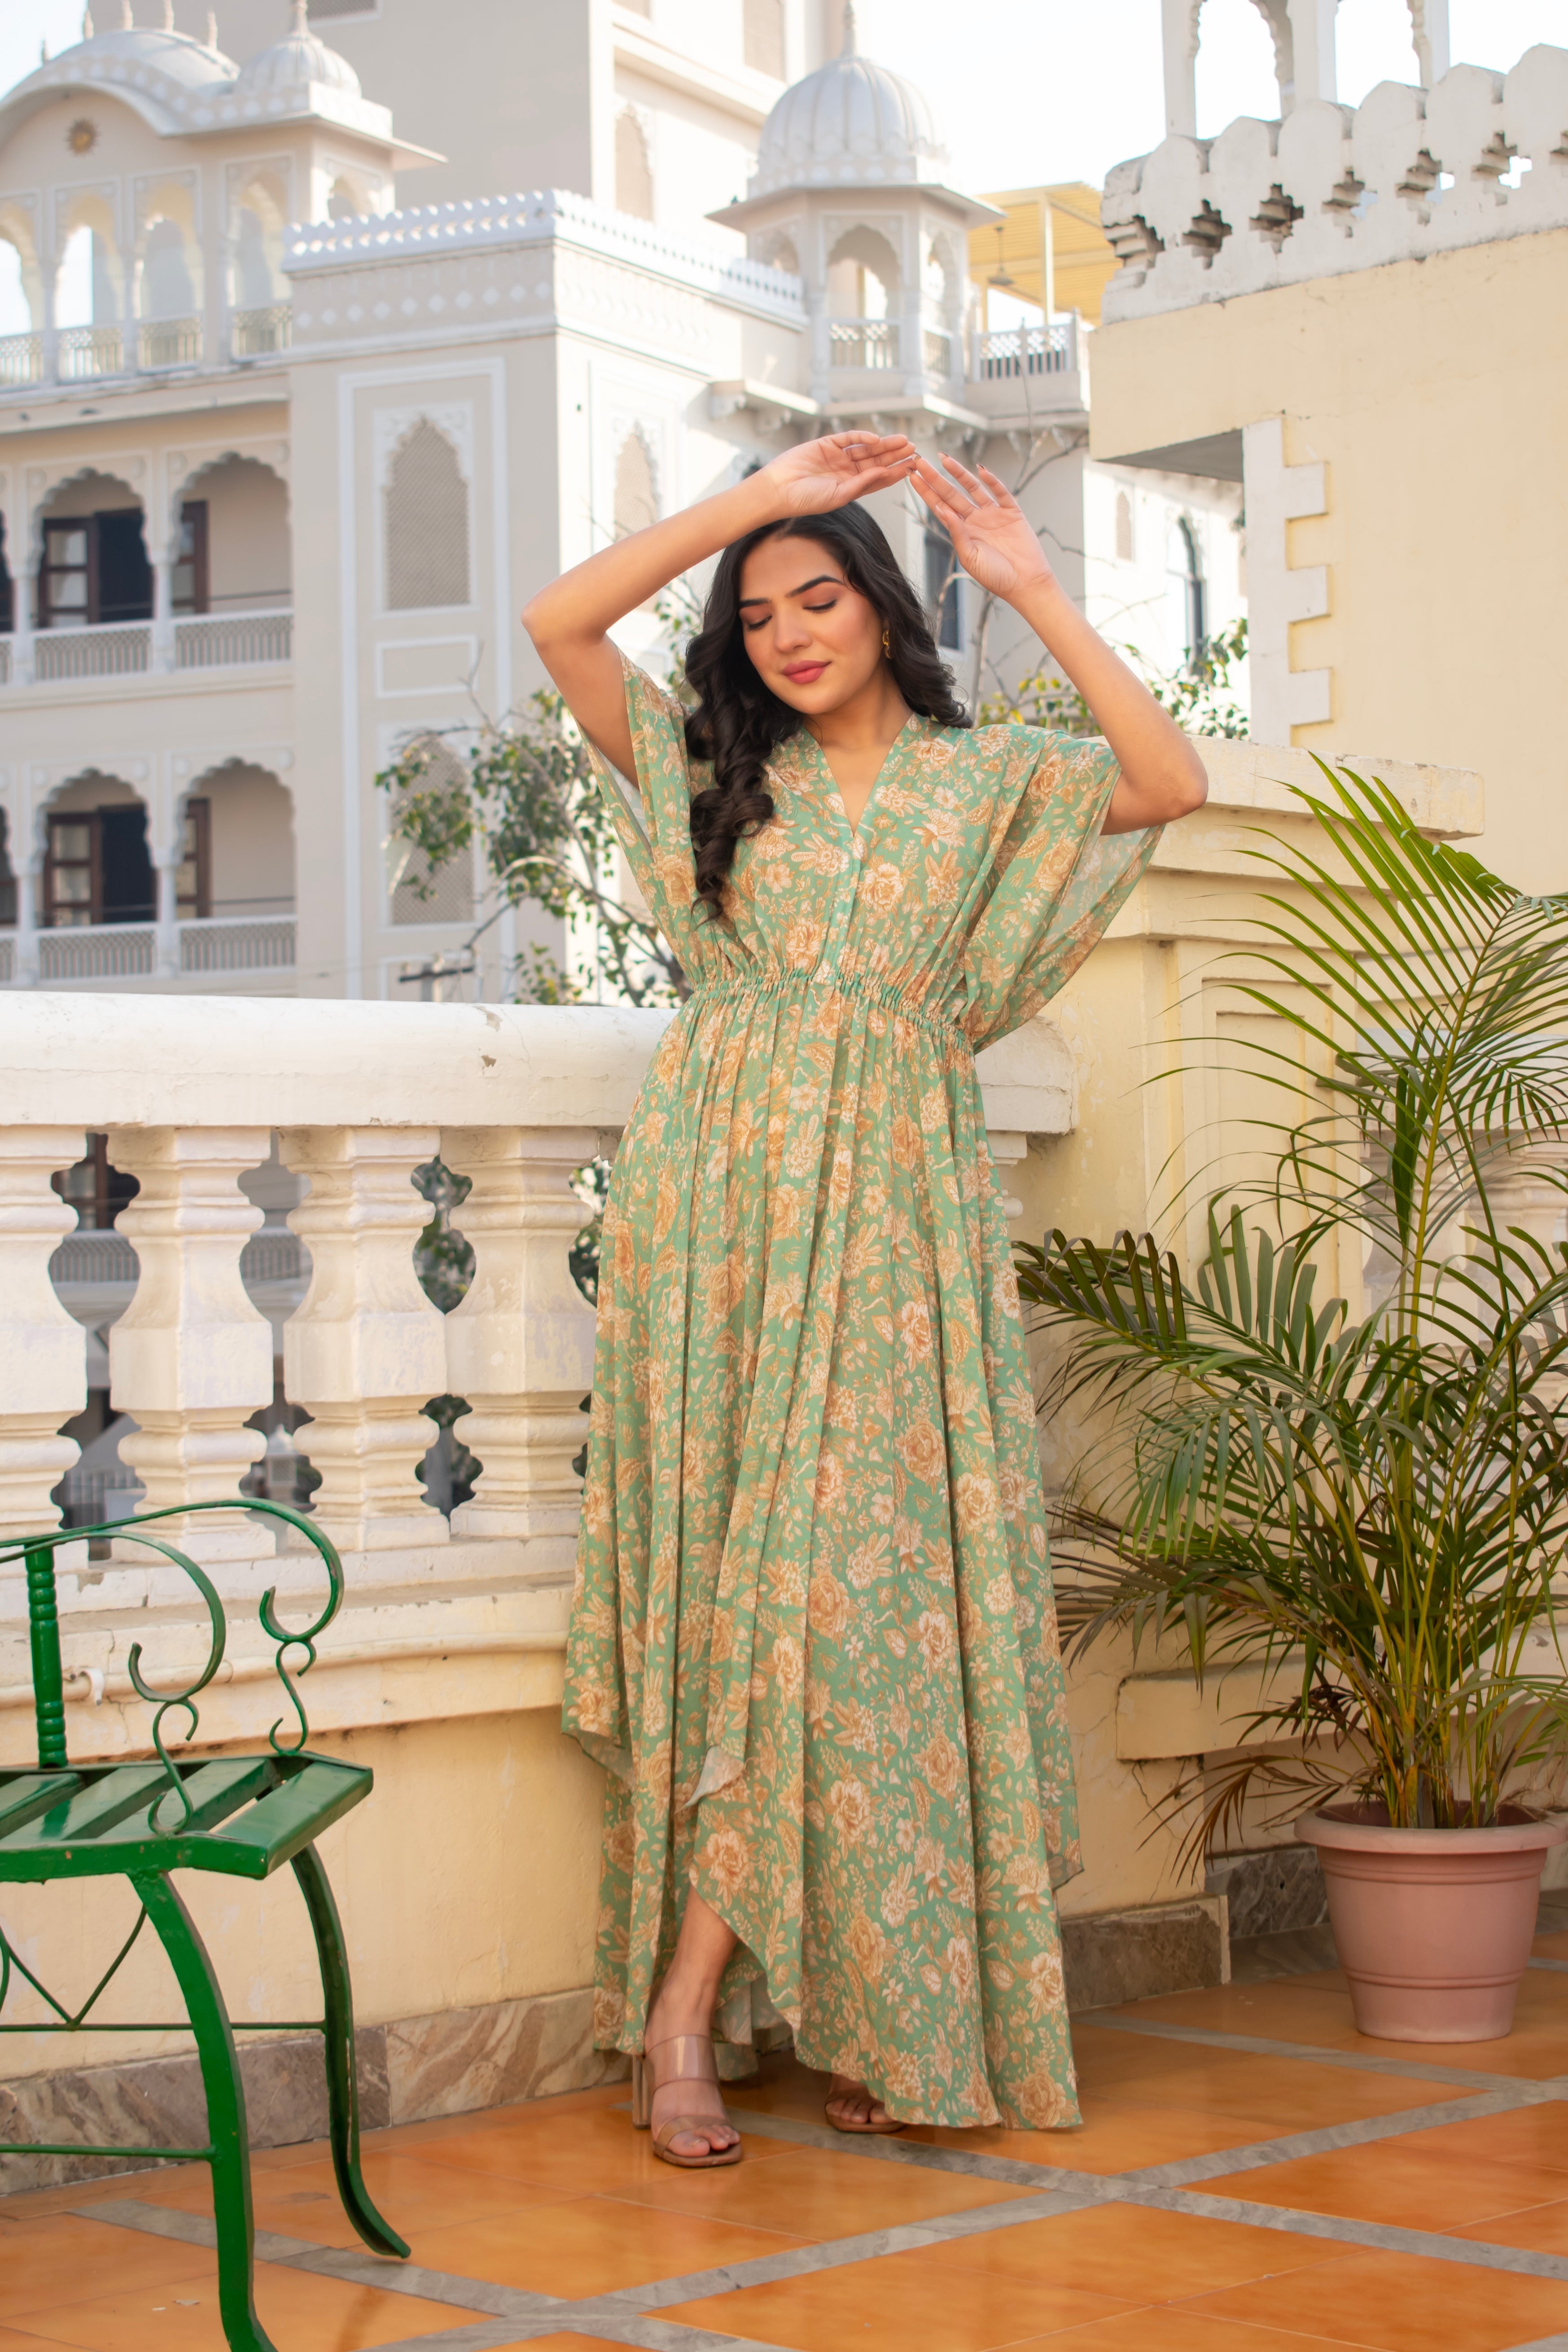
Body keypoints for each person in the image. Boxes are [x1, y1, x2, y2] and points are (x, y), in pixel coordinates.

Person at [523, 433, 1207, 2169]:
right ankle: (718, 2009)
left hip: (894, 1216)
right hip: (723, 1210)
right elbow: (559, 622)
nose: (786, 634)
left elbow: (1168, 774)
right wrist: (753, 504)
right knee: (749, 1596)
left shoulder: (990, 786)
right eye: (757, 613)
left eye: (817, 595)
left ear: (883, 606)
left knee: (845, 1606)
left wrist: (1032, 587)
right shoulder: (714, 772)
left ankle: (732, 2006)